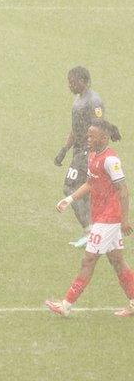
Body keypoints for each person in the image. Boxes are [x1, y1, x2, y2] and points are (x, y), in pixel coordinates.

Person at [46, 119, 134, 318]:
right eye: (87, 135)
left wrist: (125, 220)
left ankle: (66, 305)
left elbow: (124, 190)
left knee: (88, 260)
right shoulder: (93, 155)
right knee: (117, 261)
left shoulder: (111, 160)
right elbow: (90, 183)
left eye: (91, 136)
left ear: (103, 138)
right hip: (101, 216)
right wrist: (69, 199)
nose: (87, 138)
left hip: (109, 219)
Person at [55, 66, 105, 248]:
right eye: (69, 82)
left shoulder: (94, 101)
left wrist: (92, 152)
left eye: (73, 81)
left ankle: (89, 231)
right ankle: (95, 232)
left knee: (70, 188)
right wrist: (64, 149)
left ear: (84, 81)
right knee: (84, 190)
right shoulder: (79, 100)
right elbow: (75, 128)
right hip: (78, 151)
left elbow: (100, 127)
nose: (70, 85)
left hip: (86, 152)